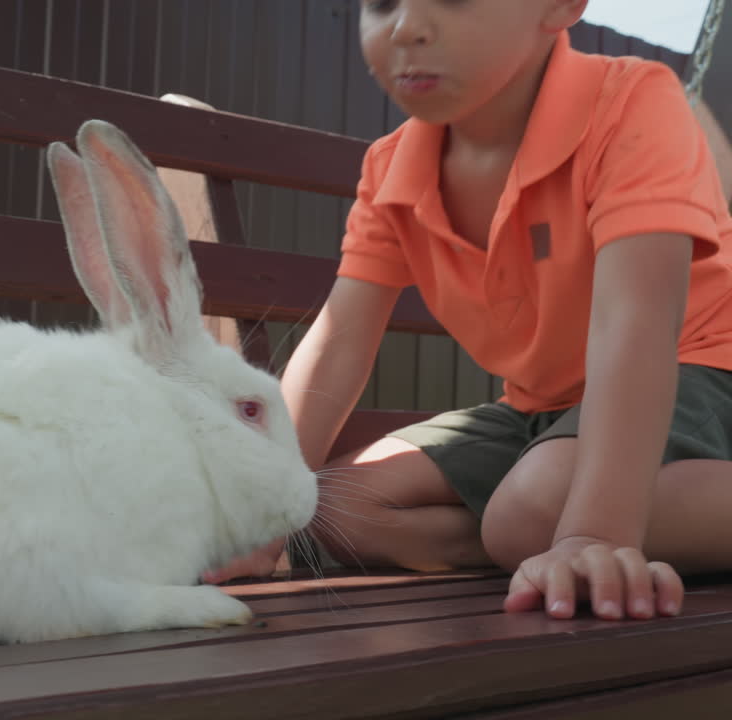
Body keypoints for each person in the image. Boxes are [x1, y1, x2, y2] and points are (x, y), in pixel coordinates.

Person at [205, 0, 732, 622]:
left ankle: (536, 528)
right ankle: (525, 533)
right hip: (543, 406)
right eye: (381, 4)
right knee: (333, 509)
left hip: (694, 367)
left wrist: (594, 535)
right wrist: (266, 514)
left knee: (529, 510)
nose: (406, 26)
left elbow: (635, 325)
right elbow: (341, 340)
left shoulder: (631, 102)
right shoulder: (393, 169)